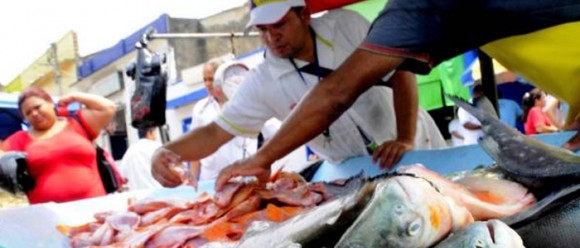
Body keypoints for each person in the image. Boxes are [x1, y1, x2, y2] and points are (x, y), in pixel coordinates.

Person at [215, 0, 580, 189]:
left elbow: (338, 91)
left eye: (278, 24)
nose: (273, 35)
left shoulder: (414, 9)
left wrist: (261, 158)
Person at [151, 0, 446, 188]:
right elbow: (215, 133)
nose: (272, 37)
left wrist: (405, 137)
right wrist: (167, 153)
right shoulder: (262, 80)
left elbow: (401, 72)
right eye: (262, 30)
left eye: (280, 24)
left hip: (416, 144)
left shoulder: (346, 25)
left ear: (304, 14)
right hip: (355, 174)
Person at [0, 87, 116, 204]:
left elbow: (108, 107)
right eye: (28, 113)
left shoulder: (78, 123)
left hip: (93, 209)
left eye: (37, 107)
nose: (34, 113)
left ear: (50, 103)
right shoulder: (20, 138)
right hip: (48, 217)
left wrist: (74, 97)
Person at [189, 59, 226, 179]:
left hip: (240, 177)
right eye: (205, 80)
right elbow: (195, 146)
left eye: (211, 79)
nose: (207, 84)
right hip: (210, 180)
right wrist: (192, 178)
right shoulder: (200, 108)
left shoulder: (238, 103)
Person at [119, 127, 162, 191]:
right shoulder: (156, 147)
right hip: (158, 193)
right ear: (149, 133)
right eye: (155, 133)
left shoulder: (130, 151)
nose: (155, 136)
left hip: (138, 197)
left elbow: (122, 177)